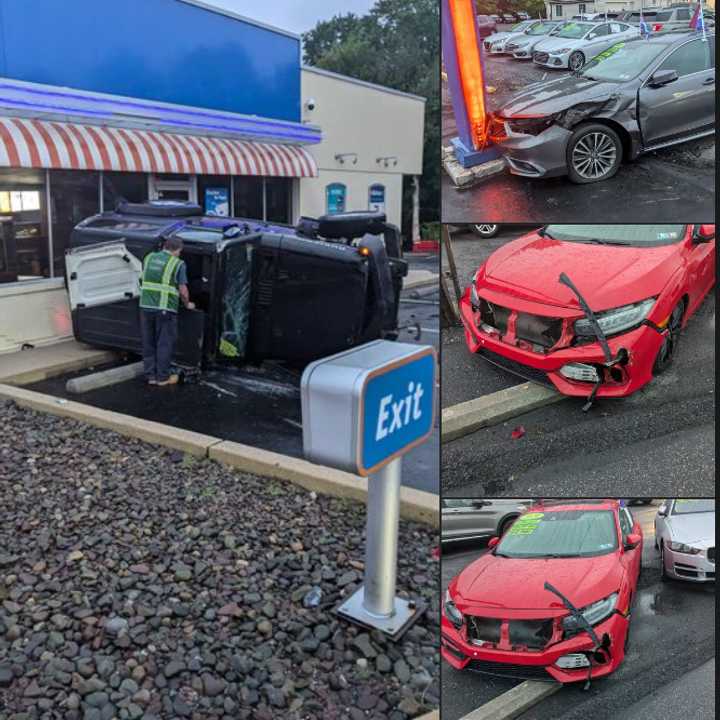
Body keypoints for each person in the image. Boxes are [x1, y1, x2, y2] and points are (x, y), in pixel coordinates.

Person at [139, 236, 195, 386]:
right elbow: (183, 290)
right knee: (164, 343)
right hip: (164, 309)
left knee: (148, 342)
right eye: (180, 251)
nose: (180, 254)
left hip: (145, 307)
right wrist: (187, 304)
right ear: (177, 250)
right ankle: (163, 378)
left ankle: (150, 376)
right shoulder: (178, 264)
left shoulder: (149, 257)